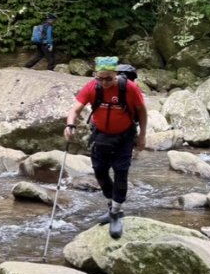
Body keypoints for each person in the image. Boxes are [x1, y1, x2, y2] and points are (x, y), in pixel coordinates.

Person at [63, 56, 147, 239]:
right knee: (100, 172)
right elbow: (74, 109)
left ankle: (116, 212)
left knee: (120, 172)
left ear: (116, 74)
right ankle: (111, 206)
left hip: (124, 137)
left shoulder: (129, 88)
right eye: (99, 78)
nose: (104, 82)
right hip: (100, 135)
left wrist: (142, 135)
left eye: (108, 78)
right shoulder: (93, 87)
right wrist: (70, 125)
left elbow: (142, 111)